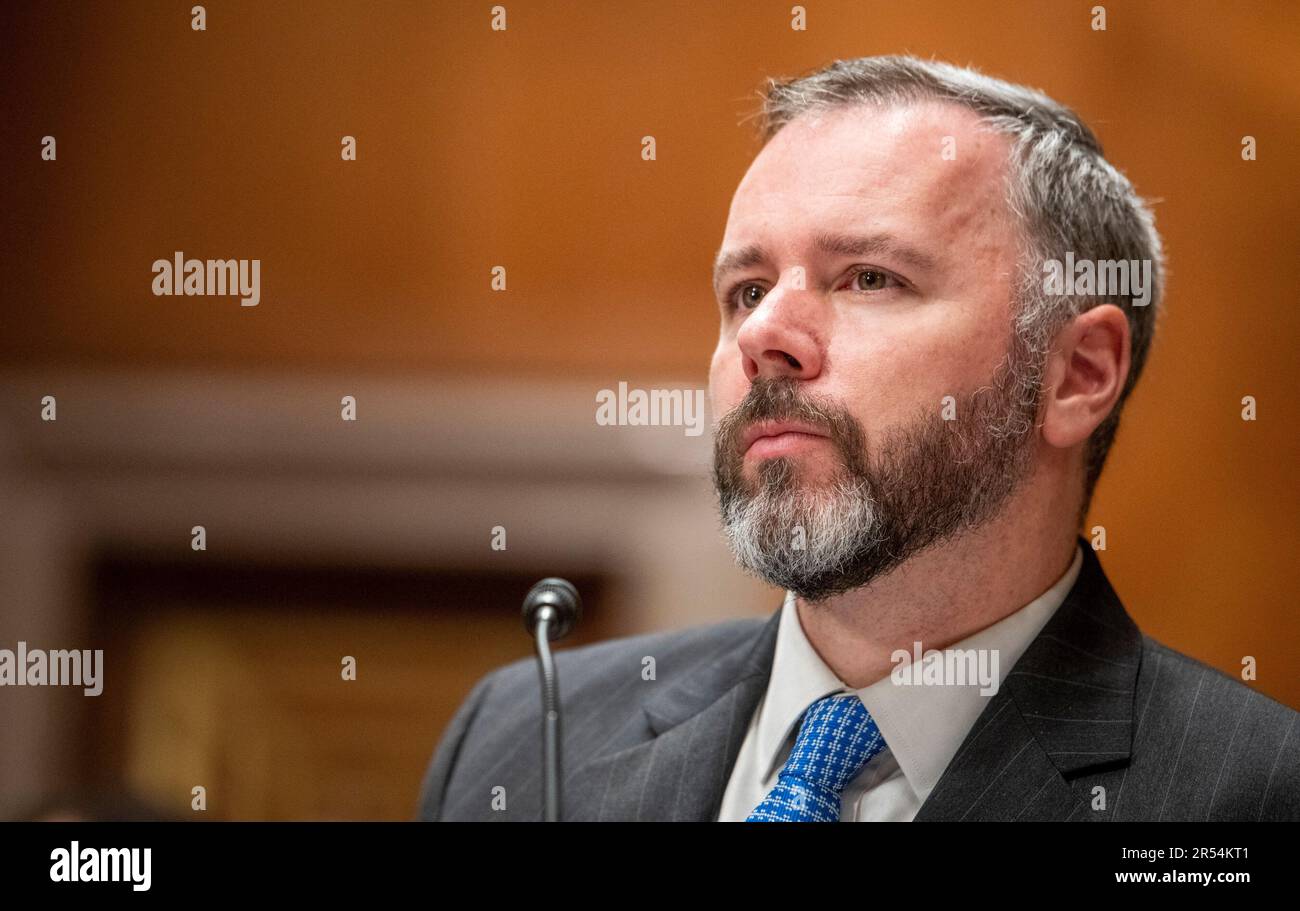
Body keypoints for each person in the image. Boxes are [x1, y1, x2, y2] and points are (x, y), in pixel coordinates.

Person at [417, 56, 1299, 821]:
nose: (768, 334)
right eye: (746, 290)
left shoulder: (1253, 794)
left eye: (870, 278)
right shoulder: (521, 739)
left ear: (1076, 374)